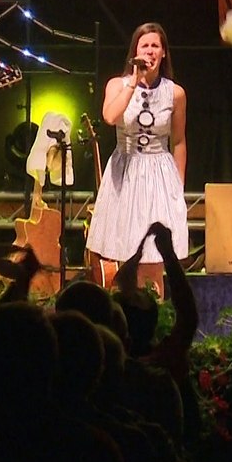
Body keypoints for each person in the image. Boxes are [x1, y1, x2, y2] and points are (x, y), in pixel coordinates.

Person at [85, 22, 188, 293]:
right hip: (126, 171)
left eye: (156, 46)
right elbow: (110, 117)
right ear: (135, 52)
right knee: (127, 255)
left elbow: (178, 141)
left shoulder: (175, 93)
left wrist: (178, 186)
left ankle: (158, 320)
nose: (150, 51)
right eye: (145, 45)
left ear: (164, 53)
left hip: (159, 173)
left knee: (154, 258)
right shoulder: (118, 85)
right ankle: (127, 321)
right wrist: (133, 81)